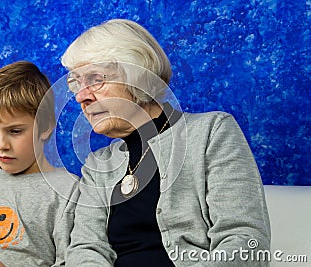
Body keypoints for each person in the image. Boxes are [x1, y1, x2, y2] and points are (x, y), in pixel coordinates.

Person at [61, 19, 271, 266]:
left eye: (95, 79)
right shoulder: (98, 165)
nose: (81, 97)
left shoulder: (211, 131)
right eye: (76, 83)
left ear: (137, 76)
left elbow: (245, 239)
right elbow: (85, 248)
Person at [0, 61, 78, 267]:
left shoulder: (67, 188)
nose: (1, 145)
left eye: (15, 131)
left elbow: (71, 262)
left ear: (46, 126)